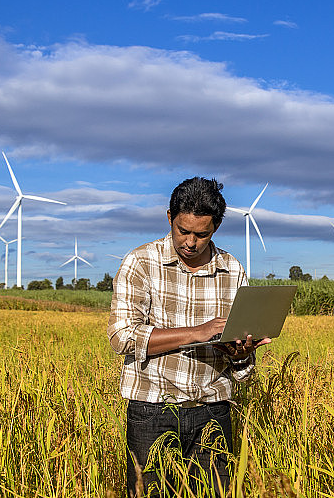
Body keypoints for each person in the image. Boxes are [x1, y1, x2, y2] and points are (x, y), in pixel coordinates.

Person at [107, 177, 270, 497]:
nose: (191, 242)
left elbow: (242, 366)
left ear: (217, 226)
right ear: (170, 217)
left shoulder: (232, 270)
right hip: (152, 409)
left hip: (213, 409)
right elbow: (121, 336)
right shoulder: (140, 262)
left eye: (202, 234)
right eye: (183, 230)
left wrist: (241, 353)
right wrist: (198, 332)